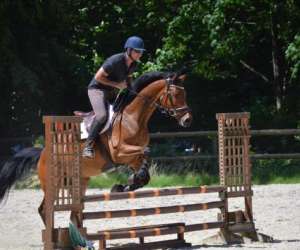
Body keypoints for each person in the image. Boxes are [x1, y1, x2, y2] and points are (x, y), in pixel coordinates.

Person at [82, 36, 145, 158]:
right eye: (137, 51)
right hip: (97, 90)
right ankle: (87, 147)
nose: (140, 54)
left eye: (141, 51)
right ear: (129, 50)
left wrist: (134, 92)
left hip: (111, 92)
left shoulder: (133, 65)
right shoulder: (115, 60)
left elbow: (128, 78)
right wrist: (117, 85)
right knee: (102, 116)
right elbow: (98, 77)